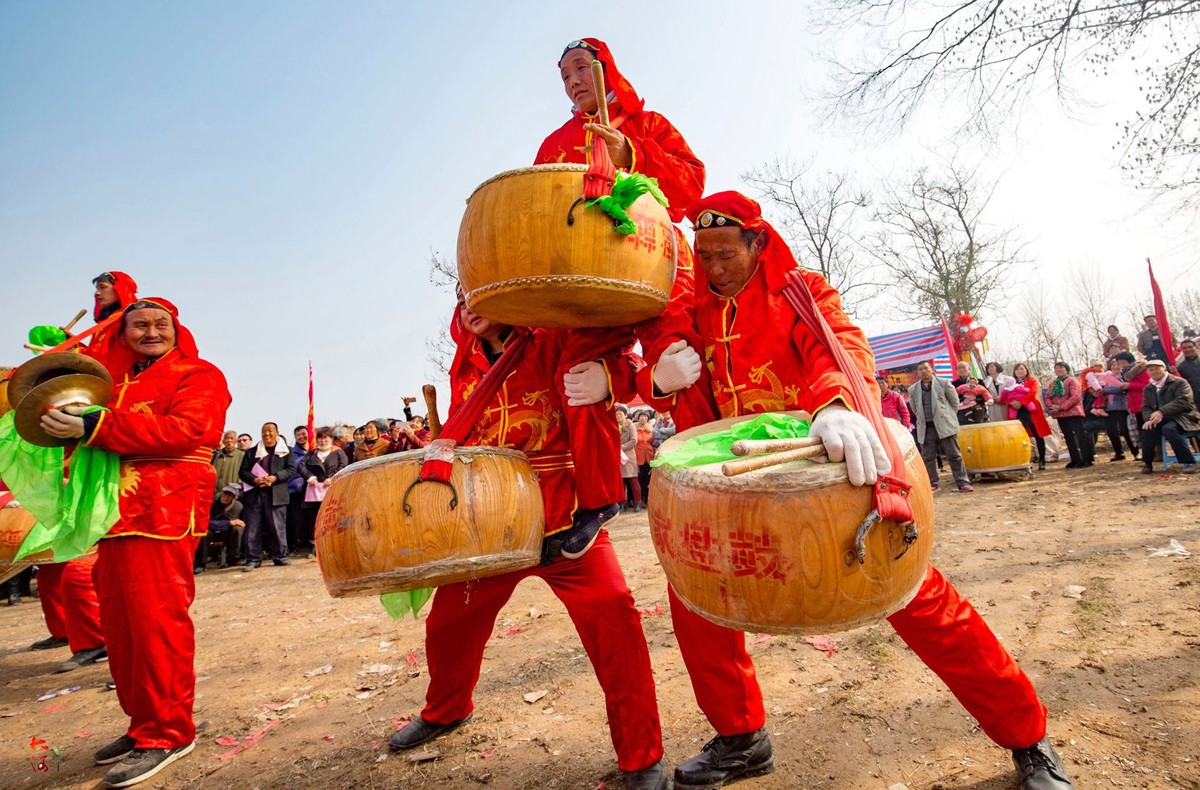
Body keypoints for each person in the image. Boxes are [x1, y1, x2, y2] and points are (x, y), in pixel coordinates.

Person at [647, 192, 1070, 790]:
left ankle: (1028, 739)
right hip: (735, 493)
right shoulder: (691, 310)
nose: (712, 270)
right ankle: (741, 737)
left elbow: (839, 346)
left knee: (921, 600)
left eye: (725, 255)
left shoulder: (801, 291)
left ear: (758, 245)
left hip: (827, 477)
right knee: (698, 604)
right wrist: (658, 380)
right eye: (704, 256)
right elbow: (647, 352)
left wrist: (834, 403)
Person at [388, 297, 669, 790]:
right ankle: (446, 710)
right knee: (450, 621)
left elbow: (628, 367)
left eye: (480, 293)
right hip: (496, 529)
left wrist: (607, 378)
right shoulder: (467, 361)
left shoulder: (556, 335)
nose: (468, 305)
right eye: (460, 296)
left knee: (615, 620)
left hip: (569, 524)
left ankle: (641, 755)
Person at [39, 296, 230, 787]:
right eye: (139, 325)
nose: (150, 331)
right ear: (122, 336)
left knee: (155, 624)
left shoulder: (198, 375)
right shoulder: (117, 385)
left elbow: (190, 430)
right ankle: (144, 723)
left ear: (176, 329)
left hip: (165, 509)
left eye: (160, 324)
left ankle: (170, 731)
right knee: (121, 628)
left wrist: (96, 425)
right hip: (114, 515)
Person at [535, 37, 712, 537]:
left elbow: (690, 192)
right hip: (589, 276)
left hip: (656, 260)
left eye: (579, 68)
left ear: (604, 69)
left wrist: (632, 152)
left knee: (682, 359)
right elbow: (540, 209)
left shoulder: (649, 125)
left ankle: (713, 474)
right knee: (574, 375)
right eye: (562, 74)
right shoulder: (553, 145)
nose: (571, 80)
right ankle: (598, 501)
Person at [908, 362, 974, 492]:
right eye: (920, 370)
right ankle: (933, 484)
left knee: (954, 454)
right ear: (917, 373)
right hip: (927, 427)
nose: (924, 371)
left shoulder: (944, 383)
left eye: (926, 368)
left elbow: (954, 403)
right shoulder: (913, 389)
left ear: (932, 370)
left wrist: (947, 417)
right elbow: (915, 408)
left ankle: (962, 482)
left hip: (945, 425)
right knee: (928, 457)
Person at [238, 422, 296, 570]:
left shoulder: (286, 451)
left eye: (270, 431)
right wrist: (254, 479)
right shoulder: (251, 452)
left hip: (276, 493)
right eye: (264, 431)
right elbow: (243, 472)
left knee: (277, 527)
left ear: (277, 432)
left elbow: (291, 469)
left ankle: (280, 556)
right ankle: (253, 559)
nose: (267, 434)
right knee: (252, 528)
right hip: (255, 494)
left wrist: (275, 477)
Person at [1139, 358, 1199, 473]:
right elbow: (1145, 407)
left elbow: (1183, 401)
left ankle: (1190, 462)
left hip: (1184, 417)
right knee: (1147, 428)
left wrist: (1162, 411)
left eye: (1157, 369)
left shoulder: (1179, 382)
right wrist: (1149, 419)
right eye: (1150, 370)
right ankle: (1147, 463)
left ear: (1164, 369)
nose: (1154, 372)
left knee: (1169, 429)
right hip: (1161, 418)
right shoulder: (1148, 388)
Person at [298, 427, 349, 553]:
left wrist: (332, 477)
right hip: (314, 490)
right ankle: (314, 546)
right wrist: (310, 477)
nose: (322, 441)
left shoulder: (338, 452)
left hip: (332, 488)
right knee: (315, 518)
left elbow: (344, 466)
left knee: (333, 516)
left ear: (331, 439)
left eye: (325, 438)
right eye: (320, 438)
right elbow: (301, 466)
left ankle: (335, 543)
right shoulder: (312, 453)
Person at [1004, 363, 1052, 470]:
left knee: (1038, 434)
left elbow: (1032, 392)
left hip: (1031, 409)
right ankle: (1023, 460)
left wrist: (1021, 402)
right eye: (1017, 370)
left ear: (1026, 370)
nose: (1020, 371)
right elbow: (1005, 395)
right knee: (1020, 436)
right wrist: (1011, 403)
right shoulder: (1011, 382)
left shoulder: (1032, 380)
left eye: (1022, 369)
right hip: (1017, 411)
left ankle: (1042, 460)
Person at [1046, 362, 1094, 468]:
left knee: (1081, 435)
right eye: (1056, 368)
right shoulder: (1053, 384)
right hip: (1060, 414)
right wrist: (1052, 406)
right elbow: (1048, 396)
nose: (1058, 369)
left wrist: (1062, 406)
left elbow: (1075, 396)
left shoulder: (1072, 380)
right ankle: (1075, 459)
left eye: (1061, 367)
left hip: (1074, 412)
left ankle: (1087, 458)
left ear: (1066, 369)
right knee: (1068, 437)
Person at [1097, 354, 1138, 461]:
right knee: (1111, 430)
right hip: (1108, 407)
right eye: (1113, 365)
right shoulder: (1105, 377)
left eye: (1118, 364)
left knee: (1125, 430)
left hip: (1122, 406)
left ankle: (1135, 452)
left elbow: (1122, 389)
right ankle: (1119, 453)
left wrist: (1105, 390)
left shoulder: (1125, 375)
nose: (1116, 367)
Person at [196, 485, 245, 570]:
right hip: (212, 530)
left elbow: (242, 522)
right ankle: (201, 564)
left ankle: (234, 559)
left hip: (227, 533)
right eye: (225, 494)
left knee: (238, 529)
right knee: (204, 533)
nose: (225, 497)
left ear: (235, 497)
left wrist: (239, 523)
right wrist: (227, 523)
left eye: (229, 495)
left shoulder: (238, 507)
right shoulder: (211, 503)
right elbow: (204, 522)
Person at [286, 426, 310, 555]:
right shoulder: (291, 452)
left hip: (313, 489)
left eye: (304, 434)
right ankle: (299, 544)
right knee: (297, 519)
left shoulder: (315, 448)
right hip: (297, 490)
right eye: (298, 435)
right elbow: (293, 467)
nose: (301, 437)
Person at [617, 405, 643, 510]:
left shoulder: (630, 425)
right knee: (620, 482)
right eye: (616, 414)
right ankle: (622, 503)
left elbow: (634, 441)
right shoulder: (613, 425)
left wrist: (620, 448)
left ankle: (638, 502)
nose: (618, 416)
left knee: (633, 480)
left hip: (628, 456)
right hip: (617, 456)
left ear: (625, 415)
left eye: (620, 414)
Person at [210, 430, 243, 494]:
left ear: (236, 441)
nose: (229, 440)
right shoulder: (216, 455)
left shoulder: (242, 456)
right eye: (227, 438)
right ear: (223, 441)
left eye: (231, 438)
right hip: (213, 492)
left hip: (230, 493)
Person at [634, 410, 655, 506]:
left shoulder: (651, 429)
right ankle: (641, 499)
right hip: (638, 457)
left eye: (645, 417)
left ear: (648, 419)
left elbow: (653, 441)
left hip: (649, 456)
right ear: (638, 419)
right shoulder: (634, 429)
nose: (643, 418)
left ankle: (648, 499)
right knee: (640, 479)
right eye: (641, 417)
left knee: (649, 479)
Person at [1176, 338, 1200, 408]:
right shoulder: (1180, 367)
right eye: (1184, 348)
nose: (1188, 350)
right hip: (1195, 400)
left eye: (1190, 347)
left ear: (1197, 347)